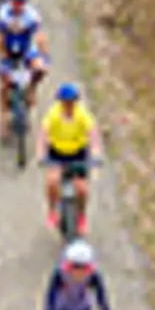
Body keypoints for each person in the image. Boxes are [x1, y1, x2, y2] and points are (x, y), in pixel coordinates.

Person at [0, 0, 50, 141]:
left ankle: (31, 88)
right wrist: (3, 54)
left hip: (27, 51)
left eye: (21, 1)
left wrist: (43, 55)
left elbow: (39, 36)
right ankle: (3, 121)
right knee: (4, 84)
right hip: (9, 51)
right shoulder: (3, 13)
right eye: (16, 0)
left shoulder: (32, 15)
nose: (18, 4)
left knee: (41, 69)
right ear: (10, 0)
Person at [39, 81, 100, 234]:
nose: (68, 105)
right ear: (60, 102)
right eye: (65, 102)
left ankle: (81, 216)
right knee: (52, 181)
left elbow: (92, 132)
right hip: (57, 152)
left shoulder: (82, 114)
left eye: (71, 102)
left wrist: (95, 152)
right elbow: (44, 132)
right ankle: (52, 211)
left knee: (82, 189)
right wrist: (41, 152)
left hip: (78, 153)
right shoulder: (54, 113)